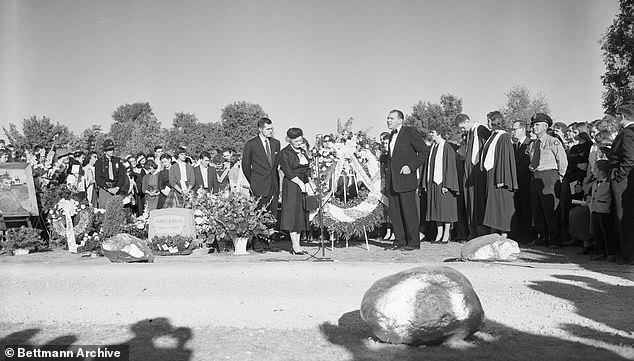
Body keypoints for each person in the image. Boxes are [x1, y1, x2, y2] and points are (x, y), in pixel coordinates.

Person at [385, 109, 429, 250]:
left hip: (405, 179)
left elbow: (424, 152)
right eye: (387, 118)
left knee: (409, 212)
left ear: (400, 120)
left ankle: (413, 242)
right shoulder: (391, 136)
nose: (388, 121)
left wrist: (411, 167)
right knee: (396, 213)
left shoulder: (410, 132)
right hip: (393, 181)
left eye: (391, 118)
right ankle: (400, 240)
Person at [528, 113, 568, 248]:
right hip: (536, 176)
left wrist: (559, 177)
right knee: (537, 209)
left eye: (537, 125)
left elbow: (562, 161)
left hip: (549, 176)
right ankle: (542, 237)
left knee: (551, 209)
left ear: (545, 126)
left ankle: (555, 239)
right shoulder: (533, 144)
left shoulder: (553, 141)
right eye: (533, 125)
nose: (534, 127)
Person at [481, 111, 518, 236]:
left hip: (499, 176)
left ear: (495, 121)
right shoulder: (493, 136)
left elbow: (505, 158)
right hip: (491, 174)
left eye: (489, 120)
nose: (488, 123)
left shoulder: (504, 137)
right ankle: (493, 233)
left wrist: (501, 178)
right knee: (493, 205)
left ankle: (503, 235)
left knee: (501, 204)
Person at [455, 113, 491, 239]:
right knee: (470, 201)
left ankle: (482, 231)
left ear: (467, 121)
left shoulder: (481, 130)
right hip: (470, 171)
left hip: (479, 172)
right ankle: (473, 231)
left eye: (462, 127)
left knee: (478, 200)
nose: (462, 131)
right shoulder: (470, 132)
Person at [421, 129, 459, 243]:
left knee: (445, 210)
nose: (430, 134)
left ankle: (447, 233)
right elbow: (428, 167)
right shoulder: (432, 148)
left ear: (439, 134)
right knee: (436, 209)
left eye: (432, 132)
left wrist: (447, 185)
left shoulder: (447, 148)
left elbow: (450, 167)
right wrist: (426, 184)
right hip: (433, 183)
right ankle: (439, 233)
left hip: (443, 184)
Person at [609, 101, 634, 265]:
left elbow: (630, 158)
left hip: (623, 180)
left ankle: (628, 254)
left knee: (624, 216)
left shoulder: (627, 133)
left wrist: (618, 175)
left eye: (616, 116)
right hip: (624, 178)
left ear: (622, 116)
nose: (615, 119)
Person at [279, 127, 311, 255]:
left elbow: (307, 167)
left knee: (299, 214)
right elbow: (287, 170)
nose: (299, 142)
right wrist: (299, 182)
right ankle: (296, 245)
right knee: (292, 214)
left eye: (300, 140)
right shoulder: (285, 152)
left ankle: (296, 244)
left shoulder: (303, 151)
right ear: (290, 140)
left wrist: (308, 181)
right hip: (292, 185)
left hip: (303, 183)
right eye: (296, 141)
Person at [241, 117, 281, 216]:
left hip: (273, 187)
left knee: (273, 218)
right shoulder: (251, 144)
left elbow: (276, 165)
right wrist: (253, 181)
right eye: (268, 129)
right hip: (259, 187)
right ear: (260, 129)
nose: (271, 131)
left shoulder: (276, 143)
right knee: (260, 218)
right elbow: (245, 165)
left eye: (271, 128)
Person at [510, 120, 534, 242]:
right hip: (516, 183)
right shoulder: (514, 146)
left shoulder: (530, 144)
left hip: (526, 181)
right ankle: (519, 234)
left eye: (515, 129)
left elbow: (527, 164)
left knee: (526, 209)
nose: (513, 132)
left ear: (522, 129)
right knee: (518, 209)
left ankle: (528, 235)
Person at [588, 160, 616, 261]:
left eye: (595, 169)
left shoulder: (609, 183)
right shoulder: (595, 183)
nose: (593, 171)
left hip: (605, 211)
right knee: (597, 232)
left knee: (607, 232)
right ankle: (599, 251)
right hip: (595, 210)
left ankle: (610, 253)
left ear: (602, 171)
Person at [94, 139, 128, 208]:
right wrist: (108, 188)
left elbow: (122, 176)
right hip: (105, 189)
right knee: (104, 210)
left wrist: (118, 187)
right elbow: (98, 178)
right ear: (105, 151)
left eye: (112, 149)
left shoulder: (118, 161)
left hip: (116, 188)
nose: (112, 151)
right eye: (109, 150)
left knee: (117, 210)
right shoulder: (99, 162)